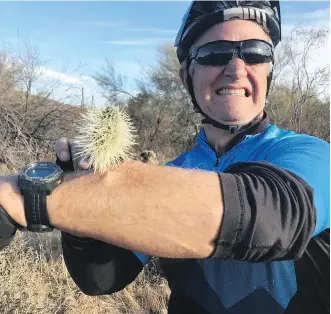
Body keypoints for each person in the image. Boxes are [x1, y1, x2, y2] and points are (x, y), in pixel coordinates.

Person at [0, 1, 329, 313]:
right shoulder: (175, 171)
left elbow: (273, 215)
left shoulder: (311, 156)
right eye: (215, 54)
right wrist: (82, 211)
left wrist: (36, 196)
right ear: (186, 76)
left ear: (269, 71)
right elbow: (102, 279)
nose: (237, 68)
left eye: (256, 53)